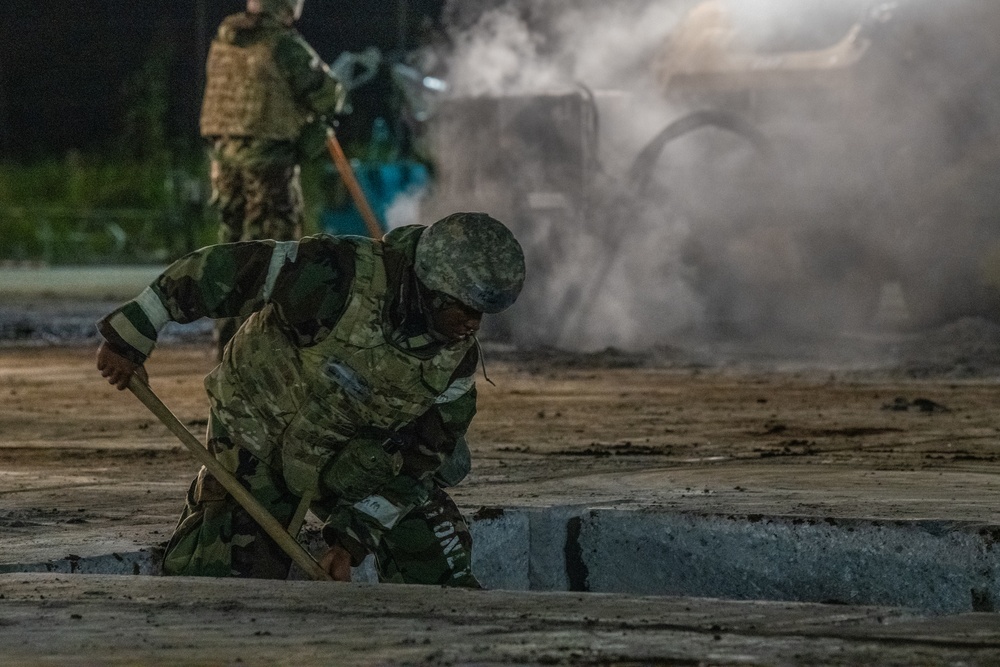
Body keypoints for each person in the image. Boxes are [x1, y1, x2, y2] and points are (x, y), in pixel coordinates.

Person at [96, 213, 526, 586]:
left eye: (482, 312)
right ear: (432, 288)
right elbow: (223, 271)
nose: (473, 323)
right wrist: (133, 333)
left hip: (351, 457)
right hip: (261, 430)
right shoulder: (335, 275)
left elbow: (419, 459)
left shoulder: (454, 364)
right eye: (464, 308)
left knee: (433, 541)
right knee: (227, 576)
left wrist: (349, 542)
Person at [199, 0, 347, 357]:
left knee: (232, 254)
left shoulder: (225, 38)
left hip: (223, 163)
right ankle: (262, 349)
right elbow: (329, 94)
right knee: (273, 255)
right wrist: (318, 128)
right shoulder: (283, 44)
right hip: (269, 164)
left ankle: (228, 345)